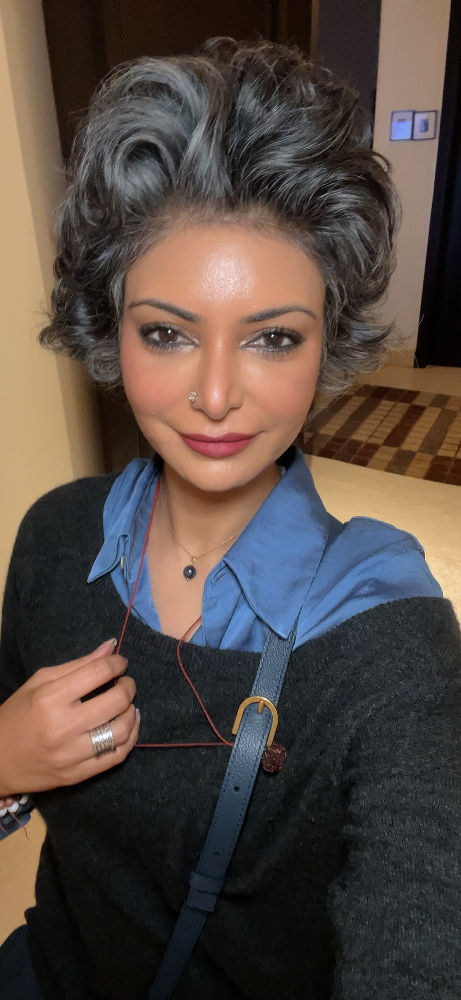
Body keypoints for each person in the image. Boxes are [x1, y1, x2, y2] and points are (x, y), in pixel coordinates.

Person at [0, 36, 460, 1000]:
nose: (215, 396)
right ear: (111, 330)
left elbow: (419, 925)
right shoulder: (55, 536)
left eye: (272, 338)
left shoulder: (387, 636)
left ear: (328, 343)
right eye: (167, 333)